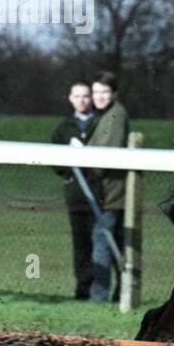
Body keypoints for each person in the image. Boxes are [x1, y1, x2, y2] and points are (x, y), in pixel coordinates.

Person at [84, 71, 130, 302]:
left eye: (104, 92)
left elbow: (107, 153)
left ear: (114, 94)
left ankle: (99, 297)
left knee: (102, 241)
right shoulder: (103, 115)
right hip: (105, 192)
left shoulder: (115, 116)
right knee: (115, 243)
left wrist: (87, 165)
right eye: (96, 92)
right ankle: (119, 294)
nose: (99, 96)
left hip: (111, 193)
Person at [50, 81, 98, 299]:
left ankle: (103, 290)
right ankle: (83, 289)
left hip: (101, 195)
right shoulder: (63, 128)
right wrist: (70, 169)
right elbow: (55, 161)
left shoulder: (101, 124)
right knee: (81, 245)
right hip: (76, 196)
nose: (82, 100)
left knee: (102, 244)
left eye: (86, 96)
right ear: (70, 98)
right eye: (77, 96)